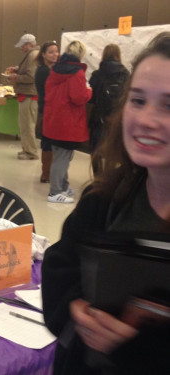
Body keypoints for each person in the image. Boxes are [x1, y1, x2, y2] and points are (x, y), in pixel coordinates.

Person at [42, 32, 170, 374]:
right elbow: (58, 270)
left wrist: (136, 344)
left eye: (169, 105)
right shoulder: (104, 198)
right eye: (138, 100)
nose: (146, 120)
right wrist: (76, 308)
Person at [43, 40, 92, 203]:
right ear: (80, 54)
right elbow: (78, 98)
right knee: (63, 158)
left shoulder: (55, 70)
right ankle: (55, 192)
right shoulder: (77, 72)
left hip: (54, 119)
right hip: (68, 121)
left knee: (60, 155)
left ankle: (63, 187)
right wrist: (89, 92)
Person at [88, 44, 130, 174]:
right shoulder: (125, 74)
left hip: (99, 117)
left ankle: (97, 176)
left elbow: (91, 97)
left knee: (96, 149)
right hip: (117, 118)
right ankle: (110, 177)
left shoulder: (97, 74)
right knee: (114, 148)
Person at [5, 34, 40, 160]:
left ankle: (31, 152)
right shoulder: (32, 55)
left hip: (29, 95)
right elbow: (27, 70)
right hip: (26, 94)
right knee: (24, 125)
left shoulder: (32, 55)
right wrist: (16, 69)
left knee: (28, 125)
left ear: (29, 44)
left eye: (22, 46)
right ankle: (27, 149)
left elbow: (31, 76)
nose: (21, 49)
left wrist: (16, 77)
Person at [34, 41, 59, 183]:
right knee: (48, 142)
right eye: (51, 52)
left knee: (52, 142)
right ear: (43, 54)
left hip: (53, 110)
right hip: (47, 110)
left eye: (56, 51)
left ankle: (50, 172)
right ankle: (46, 173)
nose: (55, 54)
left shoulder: (54, 69)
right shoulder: (43, 71)